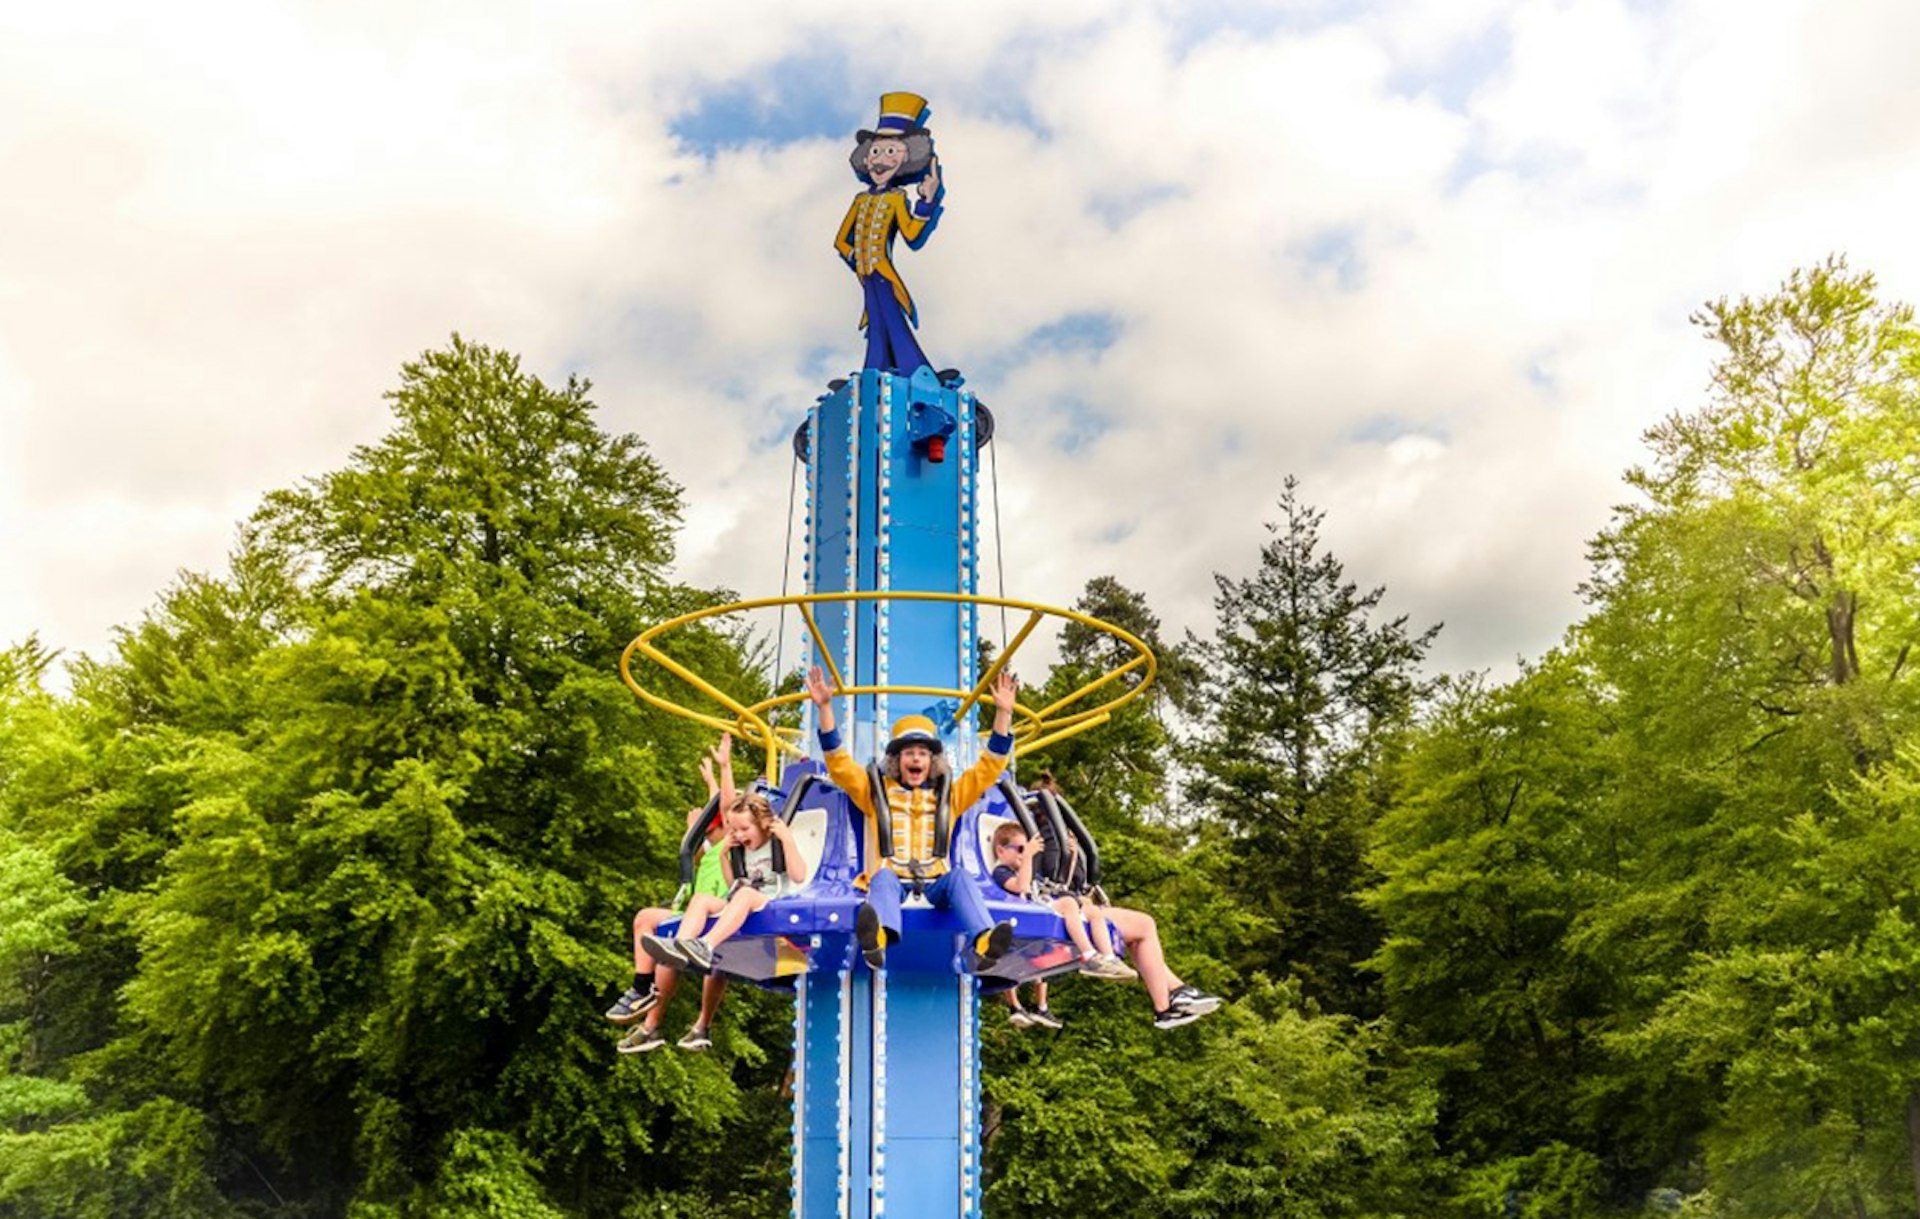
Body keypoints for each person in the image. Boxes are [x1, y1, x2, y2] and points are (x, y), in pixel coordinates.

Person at [807, 663, 1018, 973]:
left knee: (960, 877)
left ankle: (985, 941)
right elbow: (839, 764)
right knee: (883, 878)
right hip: (894, 877)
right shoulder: (875, 792)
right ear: (896, 760)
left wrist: (1003, 715)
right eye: (909, 753)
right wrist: (825, 708)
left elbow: (988, 769)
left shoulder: (949, 795)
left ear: (932, 762)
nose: (916, 758)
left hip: (935, 880)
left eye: (922, 753)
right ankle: (876, 938)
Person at [1026, 775, 1224, 1030]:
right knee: (1144, 925)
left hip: (1076, 904)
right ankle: (1169, 1001)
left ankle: (1173, 996)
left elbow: (1075, 882)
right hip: (1062, 907)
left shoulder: (1067, 843)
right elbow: (1047, 880)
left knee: (1142, 930)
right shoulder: (1044, 840)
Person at [610, 736, 733, 1054]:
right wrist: (708, 786)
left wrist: (723, 769)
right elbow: (706, 830)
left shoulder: (731, 843)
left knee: (704, 956)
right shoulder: (707, 854)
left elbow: (726, 807)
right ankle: (652, 1006)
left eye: (708, 831)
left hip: (716, 913)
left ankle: (686, 1019)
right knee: (655, 930)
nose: (704, 836)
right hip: (696, 913)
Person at [642, 788, 808, 976]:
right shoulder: (742, 849)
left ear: (764, 823)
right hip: (746, 901)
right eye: (735, 830)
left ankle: (706, 945)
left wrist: (787, 839)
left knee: (745, 894)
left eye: (744, 829)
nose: (739, 835)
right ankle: (680, 944)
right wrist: (723, 855)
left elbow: (799, 876)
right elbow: (733, 886)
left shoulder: (777, 843)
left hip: (771, 903)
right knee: (701, 899)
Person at [834, 91, 944, 373]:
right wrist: (855, 258)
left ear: (907, 159)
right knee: (876, 322)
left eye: (891, 152)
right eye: (875, 152)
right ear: (866, 159)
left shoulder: (896, 199)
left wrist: (927, 202)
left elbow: (910, 233)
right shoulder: (861, 200)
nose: (881, 159)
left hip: (883, 272)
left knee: (893, 318)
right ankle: (875, 369)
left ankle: (915, 368)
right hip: (867, 273)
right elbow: (840, 240)